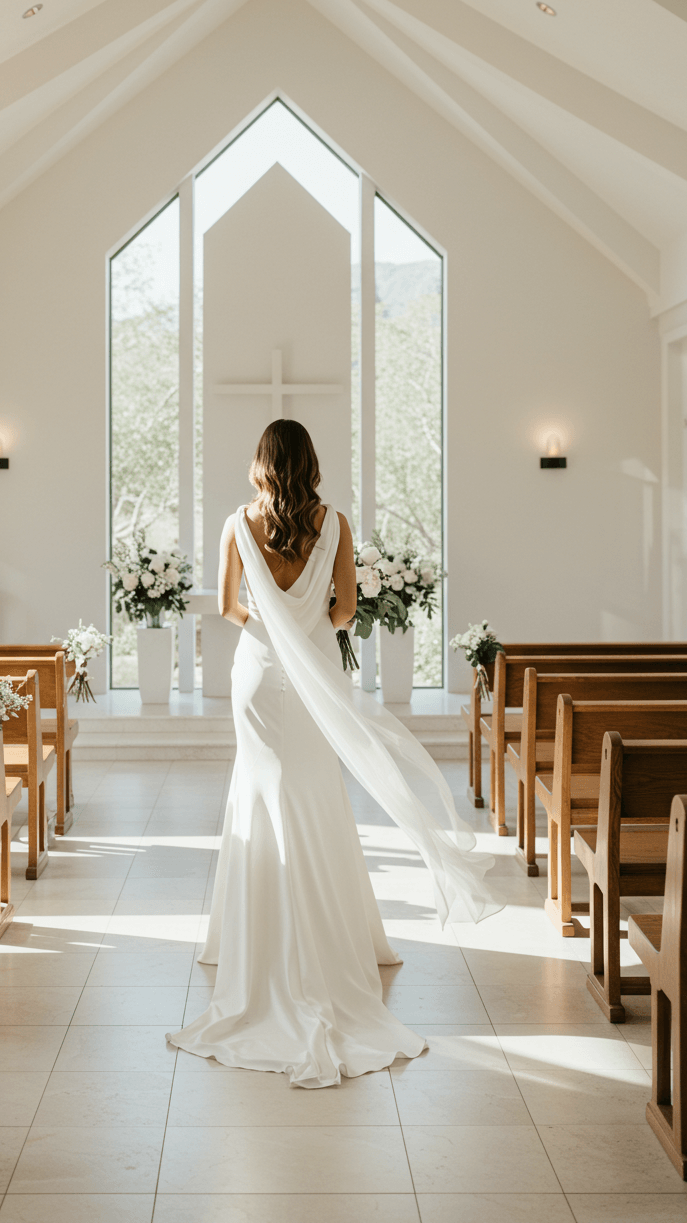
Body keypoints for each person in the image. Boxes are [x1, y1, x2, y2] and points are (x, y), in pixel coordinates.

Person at [167, 419, 499, 1088]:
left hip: (259, 672)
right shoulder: (335, 523)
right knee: (317, 792)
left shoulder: (237, 523)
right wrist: (306, 622)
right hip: (316, 670)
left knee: (259, 791)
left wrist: (271, 624)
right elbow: (345, 611)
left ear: (262, 462)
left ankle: (251, 936)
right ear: (309, 463)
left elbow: (228, 607)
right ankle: (328, 931)